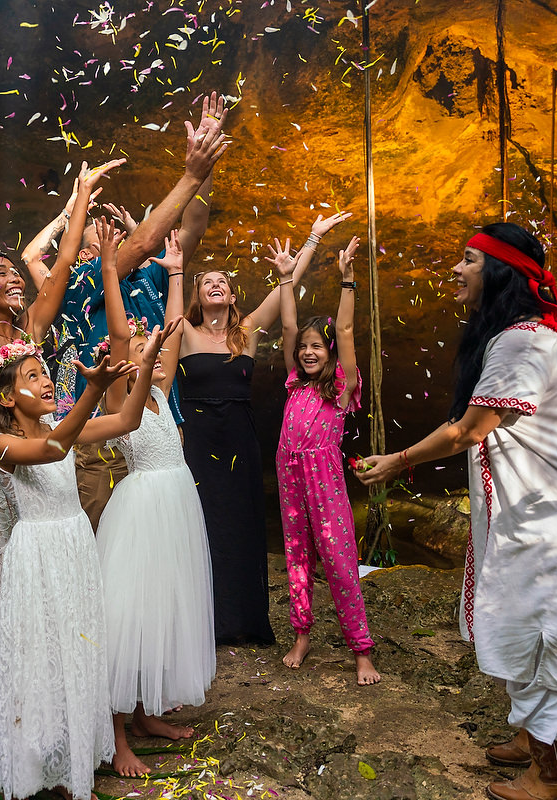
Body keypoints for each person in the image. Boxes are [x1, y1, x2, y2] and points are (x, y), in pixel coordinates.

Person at [355, 222, 557, 800]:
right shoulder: (516, 336)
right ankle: (537, 736)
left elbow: (468, 431)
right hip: (549, 506)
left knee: (543, 629)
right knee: (528, 616)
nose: (455, 271)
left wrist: (396, 460)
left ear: (500, 272)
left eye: (468, 260)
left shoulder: (523, 342)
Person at [0, 128, 117, 758]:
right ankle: (21, 726)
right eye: (4, 276)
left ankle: (62, 725)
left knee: (59, 591)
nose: (15, 280)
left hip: (50, 462)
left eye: (20, 275)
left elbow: (65, 265)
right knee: (21, 602)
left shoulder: (34, 330)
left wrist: (78, 202)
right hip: (6, 476)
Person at [0, 328, 165, 800]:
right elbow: (51, 451)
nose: (45, 382)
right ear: (7, 395)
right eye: (33, 376)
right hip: (37, 554)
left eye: (45, 374)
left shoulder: (62, 428)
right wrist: (94, 388)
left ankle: (68, 760)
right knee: (42, 654)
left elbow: (126, 421)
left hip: (75, 547)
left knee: (75, 649)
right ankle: (35, 762)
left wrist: (145, 367)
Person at [31, 92, 228, 531]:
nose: (110, 241)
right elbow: (143, 244)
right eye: (96, 242)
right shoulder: (80, 289)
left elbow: (190, 228)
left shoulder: (150, 279)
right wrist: (190, 172)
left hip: (160, 422)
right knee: (102, 538)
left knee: (156, 537)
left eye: (113, 234)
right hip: (102, 430)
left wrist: (206, 169)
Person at [176, 210, 352, 645]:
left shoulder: (247, 332)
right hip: (197, 443)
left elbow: (285, 291)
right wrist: (174, 272)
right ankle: (200, 624)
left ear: (233, 295)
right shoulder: (182, 332)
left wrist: (311, 238)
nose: (216, 284)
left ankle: (241, 622)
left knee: (240, 527)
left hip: (240, 440)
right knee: (199, 526)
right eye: (206, 282)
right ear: (197, 297)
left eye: (222, 280)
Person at [91, 220, 214, 778]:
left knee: (161, 609)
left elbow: (171, 323)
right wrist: (111, 272)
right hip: (140, 513)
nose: (159, 352)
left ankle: (144, 716)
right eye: (148, 350)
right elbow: (122, 335)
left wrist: (178, 274)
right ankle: (117, 737)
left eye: (160, 348)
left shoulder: (163, 395)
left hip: (176, 510)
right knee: (128, 616)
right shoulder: (123, 398)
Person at [270, 230, 380, 685]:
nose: (309, 350)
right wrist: (284, 281)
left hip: (322, 473)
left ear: (330, 353)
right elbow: (289, 327)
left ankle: (361, 649)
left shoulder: (340, 389)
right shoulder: (295, 381)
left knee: (336, 557)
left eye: (318, 346)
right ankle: (302, 633)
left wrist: (348, 281)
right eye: (305, 348)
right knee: (297, 555)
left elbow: (348, 330)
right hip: (288, 469)